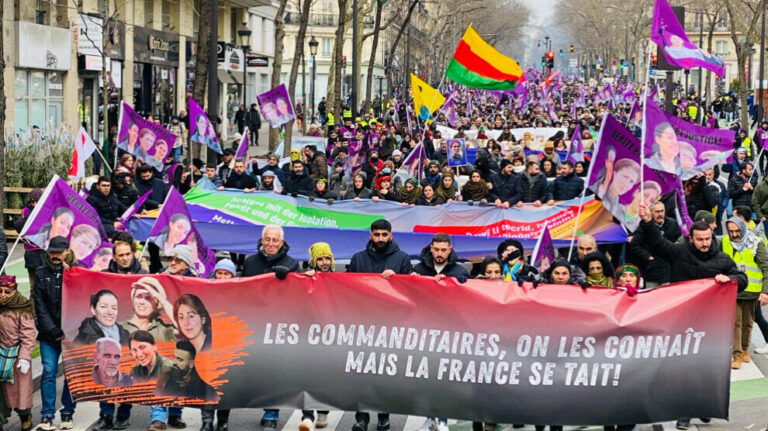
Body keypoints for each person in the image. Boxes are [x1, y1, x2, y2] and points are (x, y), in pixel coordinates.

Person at [348, 219, 413, 431]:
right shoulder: (358, 259)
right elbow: (345, 288)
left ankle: (384, 415)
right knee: (361, 374)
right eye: (377, 235)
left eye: (384, 235)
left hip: (391, 326)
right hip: (363, 325)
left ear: (391, 236)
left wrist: (398, 279)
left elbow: (412, 291)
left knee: (385, 374)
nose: (381, 239)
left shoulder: (402, 259)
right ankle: (362, 418)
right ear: (370, 236)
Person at [32, 236, 78, 431]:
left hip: (70, 333)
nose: (55, 255)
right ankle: (47, 414)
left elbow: (82, 301)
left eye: (59, 251)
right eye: (52, 252)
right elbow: (39, 304)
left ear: (67, 251)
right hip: (48, 334)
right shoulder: (41, 272)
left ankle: (67, 411)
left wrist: (72, 277)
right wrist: (51, 329)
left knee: (70, 374)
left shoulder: (77, 272)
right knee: (49, 372)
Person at [721, 216, 768, 369]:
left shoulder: (756, 243)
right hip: (732, 289)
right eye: (731, 231)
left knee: (748, 324)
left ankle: (745, 349)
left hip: (751, 292)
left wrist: (765, 292)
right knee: (736, 323)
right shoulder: (725, 242)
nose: (734, 235)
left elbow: (766, 268)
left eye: (737, 231)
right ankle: (736, 354)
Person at [0, 275, 35, 431]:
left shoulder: (22, 308)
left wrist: (25, 358)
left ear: (14, 290)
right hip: (0, 354)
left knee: (20, 391)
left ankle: (25, 416)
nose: (2, 295)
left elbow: (28, 335)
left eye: (7, 291)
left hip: (16, 358)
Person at [628, 202, 681, 288]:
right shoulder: (644, 226)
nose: (660, 214)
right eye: (657, 212)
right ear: (651, 212)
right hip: (651, 270)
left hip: (669, 269)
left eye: (662, 211)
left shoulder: (673, 224)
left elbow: (680, 240)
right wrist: (647, 256)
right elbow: (635, 245)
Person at [154, 340, 219, 402]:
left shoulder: (204, 389)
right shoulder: (164, 379)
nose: (174, 362)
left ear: (191, 364)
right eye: (175, 357)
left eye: (180, 360)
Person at [121, 277, 176, 342]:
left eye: (148, 298)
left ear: (156, 304)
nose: (141, 302)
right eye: (138, 296)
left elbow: (182, 324)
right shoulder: (119, 327)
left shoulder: (163, 330)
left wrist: (158, 296)